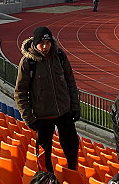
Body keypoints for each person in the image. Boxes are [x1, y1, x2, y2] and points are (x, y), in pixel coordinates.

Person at [14, 26, 80, 173]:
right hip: (42, 116)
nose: (45, 46)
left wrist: (75, 106)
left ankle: (73, 175)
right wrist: (29, 119)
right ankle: (47, 180)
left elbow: (71, 83)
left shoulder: (60, 56)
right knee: (44, 154)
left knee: (72, 146)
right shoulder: (27, 63)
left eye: (48, 43)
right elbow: (20, 93)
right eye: (42, 43)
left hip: (64, 112)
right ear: (35, 44)